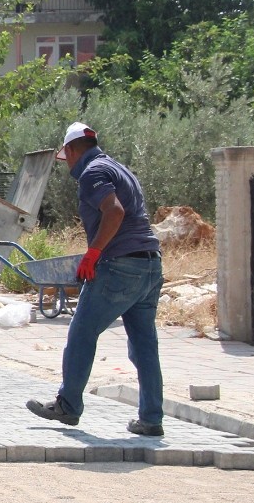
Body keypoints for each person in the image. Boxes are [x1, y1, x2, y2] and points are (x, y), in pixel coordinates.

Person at [27, 122, 167, 436]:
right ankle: (151, 418)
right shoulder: (120, 169)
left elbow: (114, 212)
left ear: (74, 150)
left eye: (68, 158)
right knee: (144, 346)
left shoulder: (92, 172)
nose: (70, 165)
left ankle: (68, 405)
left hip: (119, 266)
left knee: (82, 332)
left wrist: (93, 252)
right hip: (150, 265)